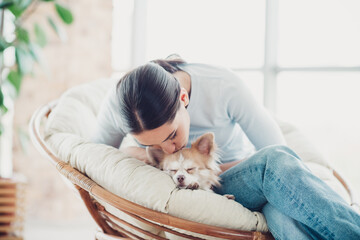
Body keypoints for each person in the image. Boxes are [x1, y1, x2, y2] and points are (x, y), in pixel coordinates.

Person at [91, 55, 360, 239]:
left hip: (238, 179)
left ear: (183, 98)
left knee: (281, 214)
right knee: (275, 179)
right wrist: (143, 153)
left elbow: (275, 148)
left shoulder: (221, 86)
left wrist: (211, 169)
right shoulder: (121, 107)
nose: (170, 148)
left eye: (172, 134)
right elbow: (94, 157)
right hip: (183, 187)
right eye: (153, 142)